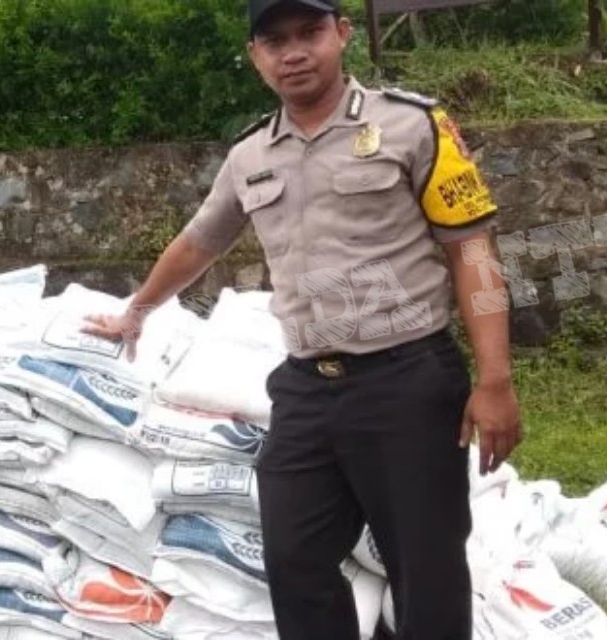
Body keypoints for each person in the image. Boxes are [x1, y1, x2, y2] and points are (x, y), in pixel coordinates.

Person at [83, 1, 522, 638]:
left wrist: (495, 380)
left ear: (341, 35)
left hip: (408, 382)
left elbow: (472, 253)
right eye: (274, 40)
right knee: (294, 556)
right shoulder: (250, 155)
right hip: (307, 388)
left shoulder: (412, 125)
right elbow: (200, 241)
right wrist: (137, 311)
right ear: (256, 56)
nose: (294, 52)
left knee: (425, 568)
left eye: (310, 33)